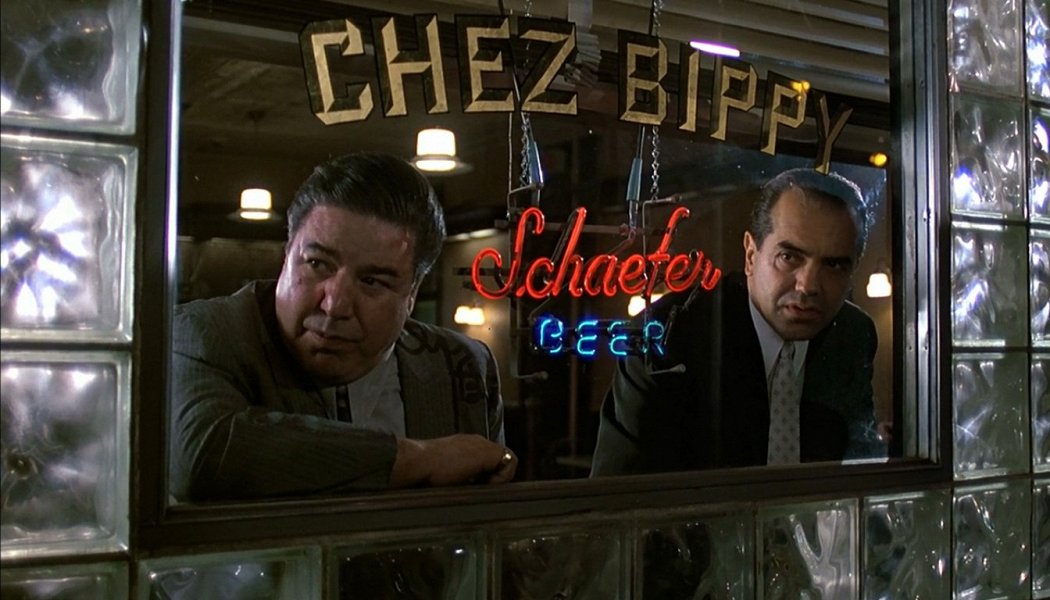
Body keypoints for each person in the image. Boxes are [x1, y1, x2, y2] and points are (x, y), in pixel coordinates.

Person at [170, 152, 516, 502]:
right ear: (286, 255)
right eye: (317, 264)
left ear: (411, 293)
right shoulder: (204, 334)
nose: (335, 305)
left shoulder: (459, 362)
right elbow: (202, 456)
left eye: (372, 281)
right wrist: (422, 458)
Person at [590, 167, 886, 476]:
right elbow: (621, 491)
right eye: (789, 257)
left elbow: (858, 458)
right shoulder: (666, 334)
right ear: (750, 256)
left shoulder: (854, 333)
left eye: (834, 265)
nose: (808, 285)